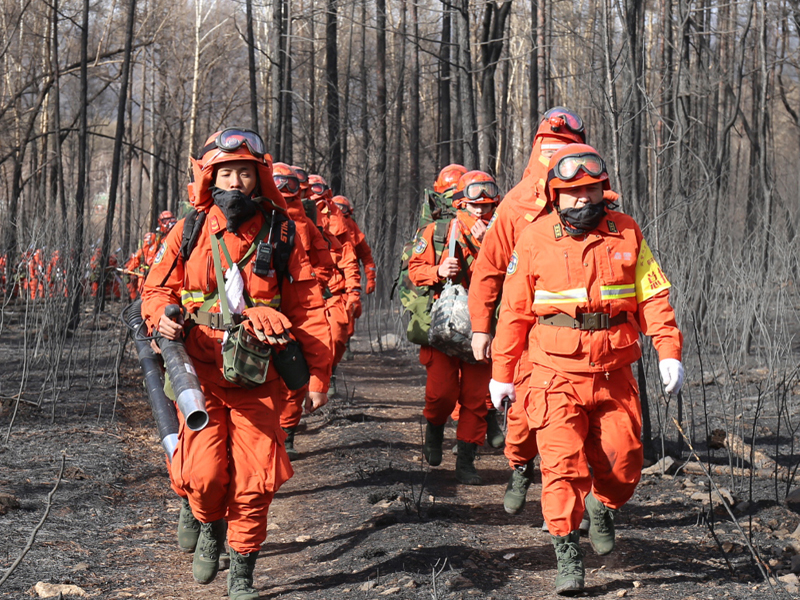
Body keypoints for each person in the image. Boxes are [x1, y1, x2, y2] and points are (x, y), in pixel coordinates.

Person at [141, 128, 332, 600]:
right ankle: (206, 521)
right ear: (210, 178)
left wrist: (317, 375)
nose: (235, 181)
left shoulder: (284, 231)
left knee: (255, 480)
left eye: (244, 172)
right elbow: (156, 290)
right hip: (200, 373)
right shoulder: (189, 229)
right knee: (205, 475)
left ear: (258, 178)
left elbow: (308, 306)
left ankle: (243, 568)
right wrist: (159, 320)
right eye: (225, 172)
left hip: (260, 376)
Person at [489, 143, 683, 594]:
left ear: (603, 189)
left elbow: (653, 296)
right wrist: (502, 371)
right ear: (556, 195)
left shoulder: (627, 233)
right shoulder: (534, 238)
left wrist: (668, 350)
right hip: (553, 373)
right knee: (562, 467)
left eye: (592, 190)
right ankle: (566, 554)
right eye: (574, 192)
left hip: (615, 371)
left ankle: (603, 506)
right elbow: (514, 311)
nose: (585, 199)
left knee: (625, 460)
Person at [468, 107, 598, 515]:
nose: (555, 155)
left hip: (579, 338)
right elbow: (488, 269)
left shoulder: (592, 198)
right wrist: (480, 328)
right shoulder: (514, 206)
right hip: (522, 328)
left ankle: (562, 506)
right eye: (549, 147)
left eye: (565, 147)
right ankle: (521, 466)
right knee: (523, 418)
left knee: (574, 428)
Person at [408, 170, 501, 485]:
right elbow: (414, 270)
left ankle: (466, 462)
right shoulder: (438, 231)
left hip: (483, 328)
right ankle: (434, 430)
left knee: (476, 399)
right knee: (441, 393)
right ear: (461, 202)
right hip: (445, 325)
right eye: (474, 205)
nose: (479, 212)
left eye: (486, 207)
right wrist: (437, 269)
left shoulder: (504, 236)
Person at [273, 162, 336, 459]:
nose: (285, 191)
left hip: (296, 307)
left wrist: (308, 282)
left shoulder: (304, 224)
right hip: (249, 318)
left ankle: (285, 436)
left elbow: (326, 262)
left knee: (293, 378)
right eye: (278, 184)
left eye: (291, 185)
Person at [307, 175, 361, 392]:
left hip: (334, 292)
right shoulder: (289, 221)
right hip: (304, 292)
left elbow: (351, 258)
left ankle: (329, 372)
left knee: (338, 338)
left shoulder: (339, 225)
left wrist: (355, 290)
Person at [125, 232, 160, 300]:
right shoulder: (142, 250)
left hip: (154, 274)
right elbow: (135, 261)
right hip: (143, 274)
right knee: (141, 291)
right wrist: (129, 269)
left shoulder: (157, 248)